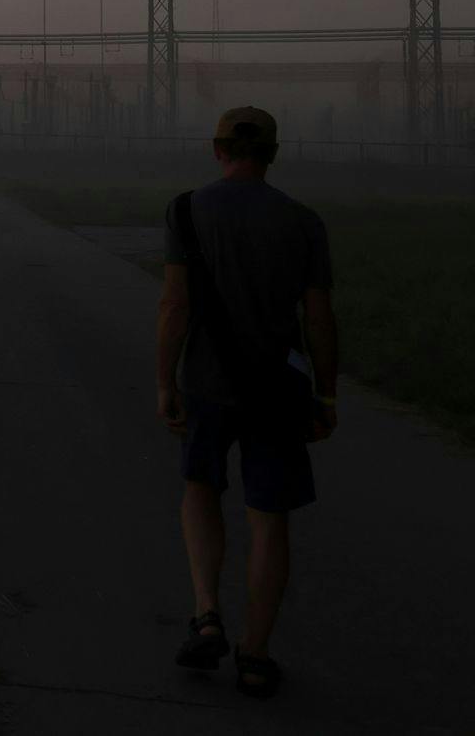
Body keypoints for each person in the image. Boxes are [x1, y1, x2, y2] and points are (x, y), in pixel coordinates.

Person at [154, 106, 338, 699]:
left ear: (217, 150)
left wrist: (165, 381)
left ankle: (206, 614)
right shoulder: (303, 221)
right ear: (272, 154)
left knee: (201, 492)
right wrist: (326, 392)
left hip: (208, 383)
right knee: (269, 518)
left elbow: (175, 307)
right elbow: (317, 317)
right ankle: (256, 655)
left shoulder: (186, 210)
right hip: (277, 390)